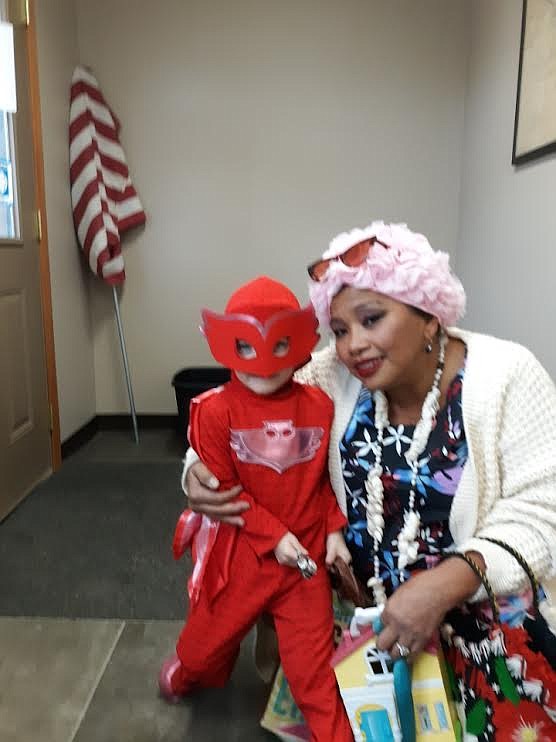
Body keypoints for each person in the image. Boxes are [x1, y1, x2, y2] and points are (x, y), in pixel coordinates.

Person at [184, 222, 556, 739]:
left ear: (429, 315)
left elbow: (544, 511)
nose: (352, 346)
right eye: (338, 330)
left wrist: (444, 584)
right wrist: (193, 468)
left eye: (371, 319)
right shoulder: (331, 377)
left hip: (479, 618)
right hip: (355, 622)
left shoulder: (507, 376)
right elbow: (250, 400)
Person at [160, 276, 354, 742]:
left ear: (300, 345)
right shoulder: (212, 411)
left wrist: (332, 530)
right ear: (228, 344)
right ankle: (188, 671)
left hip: (303, 564)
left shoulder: (320, 406)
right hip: (240, 559)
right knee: (204, 651)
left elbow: (324, 482)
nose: (262, 365)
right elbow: (224, 490)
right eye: (245, 348)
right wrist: (274, 538)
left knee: (313, 676)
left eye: (280, 344)